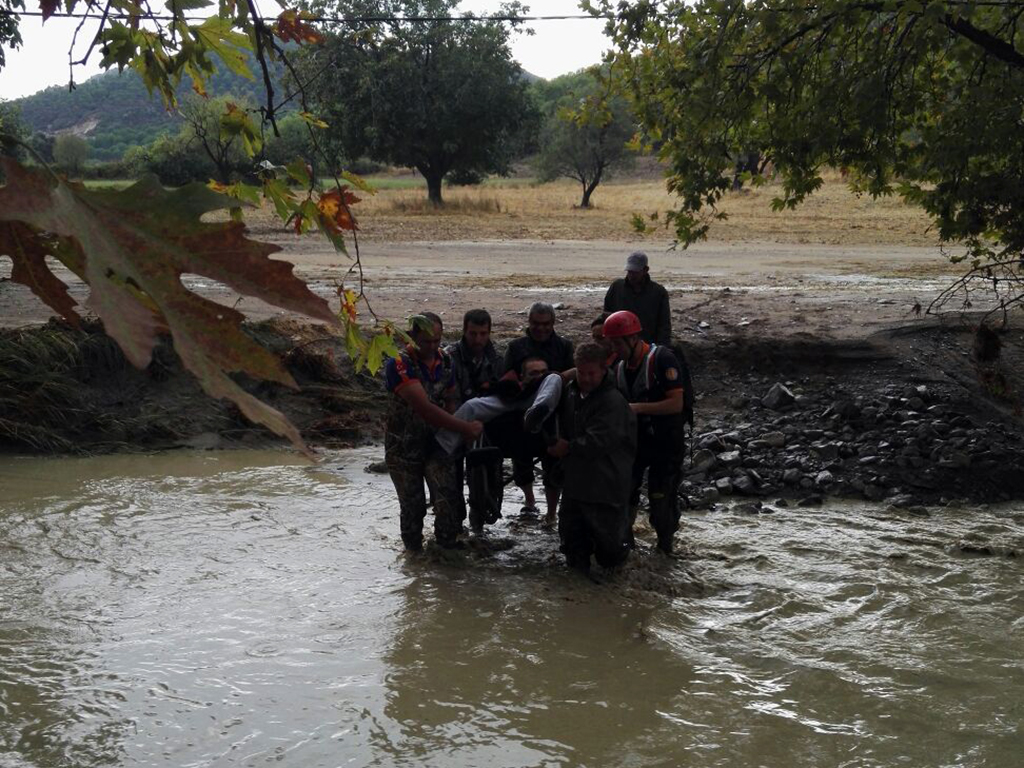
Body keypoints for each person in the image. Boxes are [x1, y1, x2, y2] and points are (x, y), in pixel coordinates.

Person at [383, 312, 483, 552]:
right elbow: (425, 408)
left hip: (438, 443)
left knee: (449, 499)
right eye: (425, 341)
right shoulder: (399, 363)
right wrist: (465, 428)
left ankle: (446, 554)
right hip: (403, 447)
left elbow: (451, 399)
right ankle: (414, 558)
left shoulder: (446, 361)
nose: (431, 346)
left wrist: (456, 433)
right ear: (411, 337)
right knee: (412, 507)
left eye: (436, 340)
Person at [547, 341, 637, 575]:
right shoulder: (570, 393)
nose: (586, 378)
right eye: (581, 372)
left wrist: (566, 448)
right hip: (576, 486)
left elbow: (599, 441)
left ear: (603, 369)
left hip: (606, 487)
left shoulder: (613, 401)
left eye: (591, 374)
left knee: (610, 554)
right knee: (573, 547)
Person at [603, 310, 688, 555]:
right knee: (624, 494)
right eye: (612, 343)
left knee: (660, 500)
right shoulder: (619, 367)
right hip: (635, 444)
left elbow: (676, 404)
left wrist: (636, 409)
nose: (615, 348)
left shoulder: (662, 359)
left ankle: (665, 549)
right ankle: (625, 547)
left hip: (665, 444)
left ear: (633, 338)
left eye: (618, 343)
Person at [603, 252, 672, 345]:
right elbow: (607, 315)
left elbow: (664, 324)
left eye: (635, 272)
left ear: (645, 270)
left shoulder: (659, 292)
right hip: (620, 344)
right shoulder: (616, 287)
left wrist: (662, 347)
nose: (631, 275)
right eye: (629, 271)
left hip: (647, 345)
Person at [503, 302, 575, 377]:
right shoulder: (515, 347)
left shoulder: (565, 347)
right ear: (529, 322)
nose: (540, 328)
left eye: (545, 324)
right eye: (536, 323)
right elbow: (506, 379)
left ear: (552, 323)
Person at [447, 308, 503, 403]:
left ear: (489, 333)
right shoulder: (449, 358)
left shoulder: (497, 358)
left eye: (483, 334)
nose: (478, 340)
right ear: (464, 331)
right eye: (473, 334)